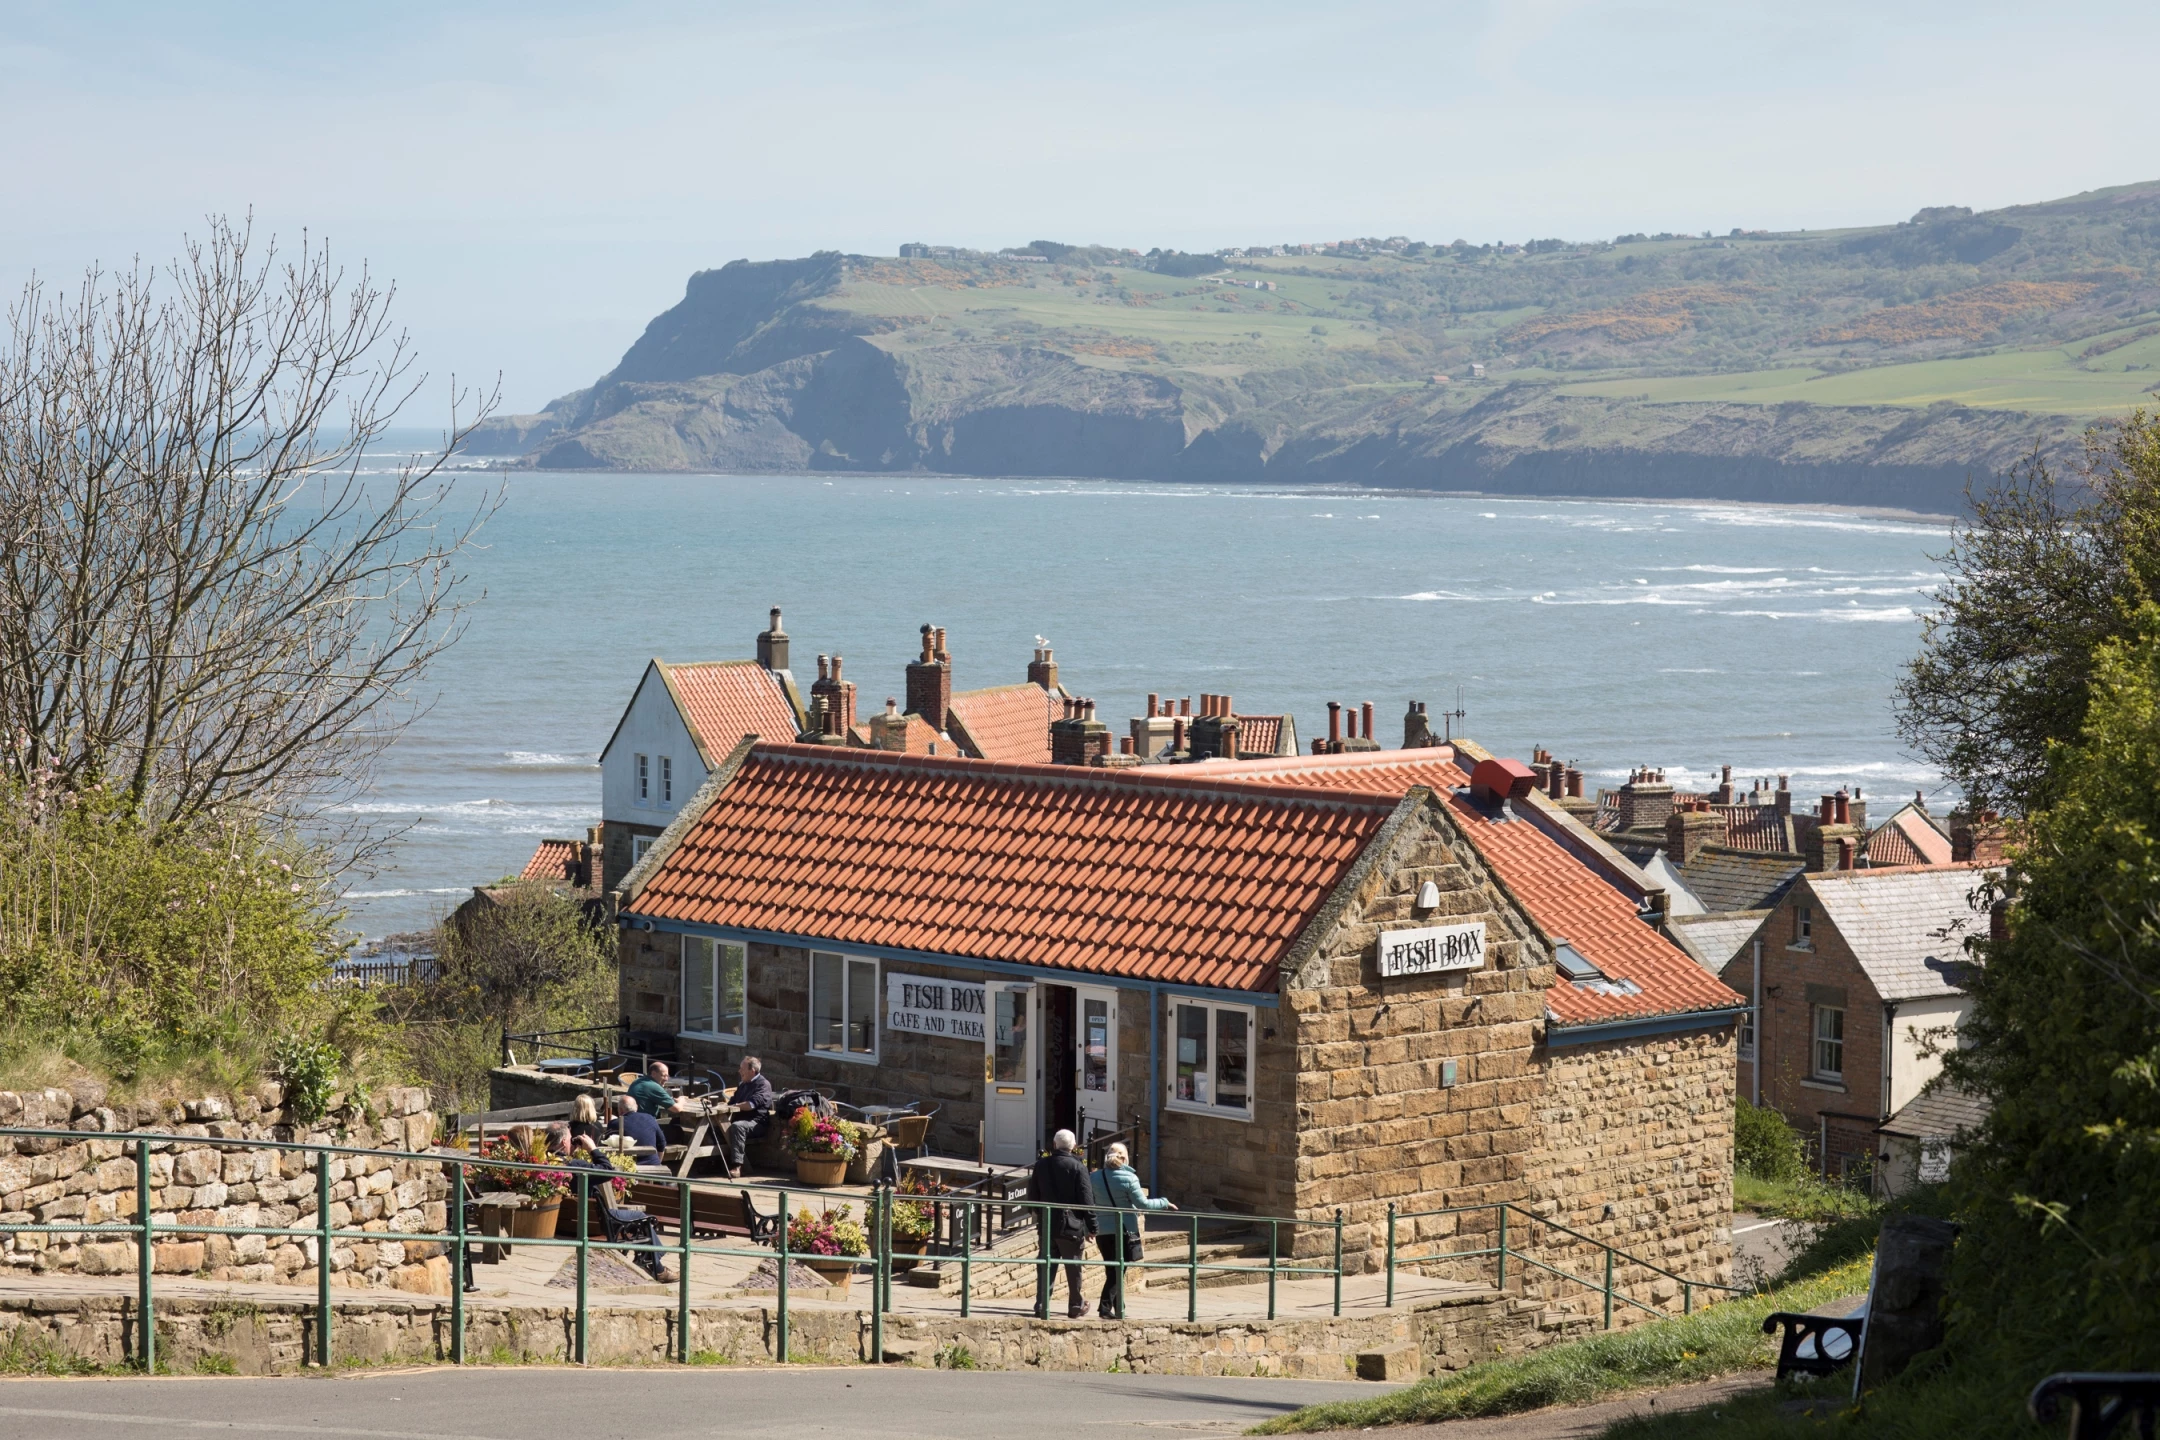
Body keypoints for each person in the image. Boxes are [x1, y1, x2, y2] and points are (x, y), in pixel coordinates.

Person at [1089, 1141, 1175, 1319]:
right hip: (1124, 1229)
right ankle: (1105, 1307)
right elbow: (1143, 1203)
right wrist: (1164, 1203)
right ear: (1125, 1158)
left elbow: (1090, 1203)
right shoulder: (1129, 1178)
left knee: (1112, 1269)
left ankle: (1119, 1308)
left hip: (1102, 1231)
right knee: (1118, 1270)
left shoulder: (1094, 1177)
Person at [1029, 1129, 1096, 1319]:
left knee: (1045, 1264)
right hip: (1071, 1226)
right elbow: (1087, 1200)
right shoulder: (1078, 1167)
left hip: (1047, 1223)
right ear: (1074, 1146)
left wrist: (1041, 1214)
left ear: (1054, 1144)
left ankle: (1042, 1304)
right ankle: (1075, 1305)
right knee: (1073, 1266)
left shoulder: (1041, 1165)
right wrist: (1092, 1227)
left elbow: (1033, 1196)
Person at [722, 1056, 775, 1175]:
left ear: (752, 1071)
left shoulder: (763, 1085)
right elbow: (732, 1102)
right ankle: (712, 1163)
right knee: (713, 1126)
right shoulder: (743, 1084)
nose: (739, 1071)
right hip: (741, 1120)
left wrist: (734, 1106)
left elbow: (751, 1105)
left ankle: (737, 1166)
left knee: (737, 1126)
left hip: (756, 1123)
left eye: (742, 1068)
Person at [608, 1095, 670, 1168]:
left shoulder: (615, 1123)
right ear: (636, 1107)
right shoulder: (650, 1118)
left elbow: (608, 1146)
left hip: (629, 1166)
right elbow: (662, 1143)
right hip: (652, 1163)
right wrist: (657, 1163)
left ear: (620, 1110)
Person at [627, 1061, 691, 1124]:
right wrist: (681, 1101)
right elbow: (677, 1109)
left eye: (667, 1076)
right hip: (644, 1124)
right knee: (676, 1128)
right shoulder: (654, 1086)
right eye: (664, 1075)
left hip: (629, 1121)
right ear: (654, 1074)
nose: (666, 1079)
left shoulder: (637, 1081)